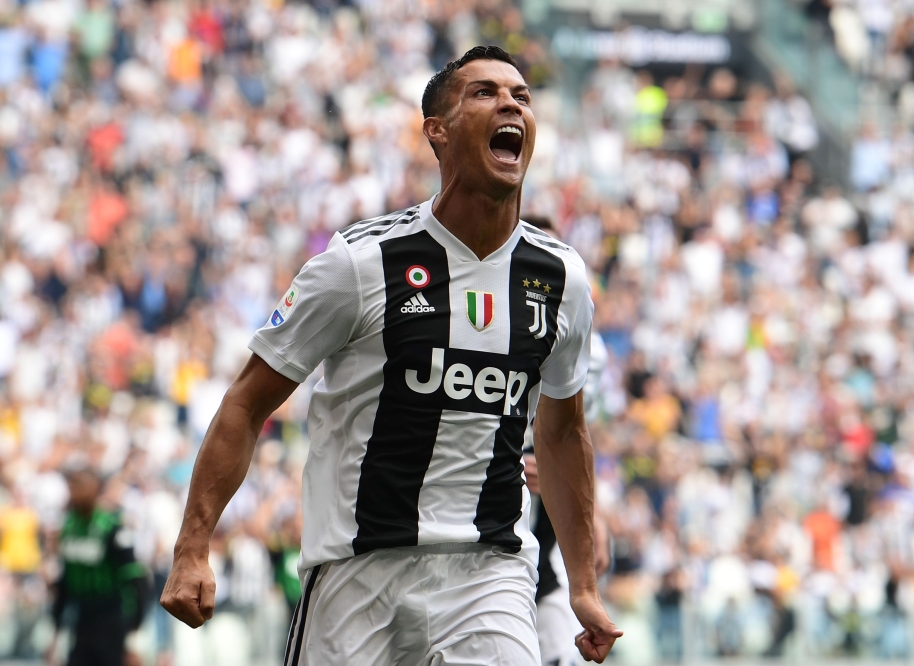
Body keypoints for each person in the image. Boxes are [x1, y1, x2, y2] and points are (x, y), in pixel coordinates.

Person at [160, 45, 622, 665]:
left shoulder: (559, 278)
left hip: (490, 575)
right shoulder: (359, 263)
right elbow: (246, 403)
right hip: (358, 569)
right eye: (484, 92)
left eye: (522, 96)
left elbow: (564, 433)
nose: (511, 102)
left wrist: (583, 586)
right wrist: (192, 548)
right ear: (438, 131)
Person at [521, 214, 612, 666]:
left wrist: (593, 517)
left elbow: (577, 436)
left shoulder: (582, 340)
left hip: (548, 538)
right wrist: (509, 466)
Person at [49, 467, 149, 666]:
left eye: (83, 486)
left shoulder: (111, 527)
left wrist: (135, 632)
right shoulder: (69, 527)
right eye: (74, 486)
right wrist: (57, 627)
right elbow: (65, 581)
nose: (77, 492)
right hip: (82, 616)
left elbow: (136, 578)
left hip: (112, 616)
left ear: (96, 489)